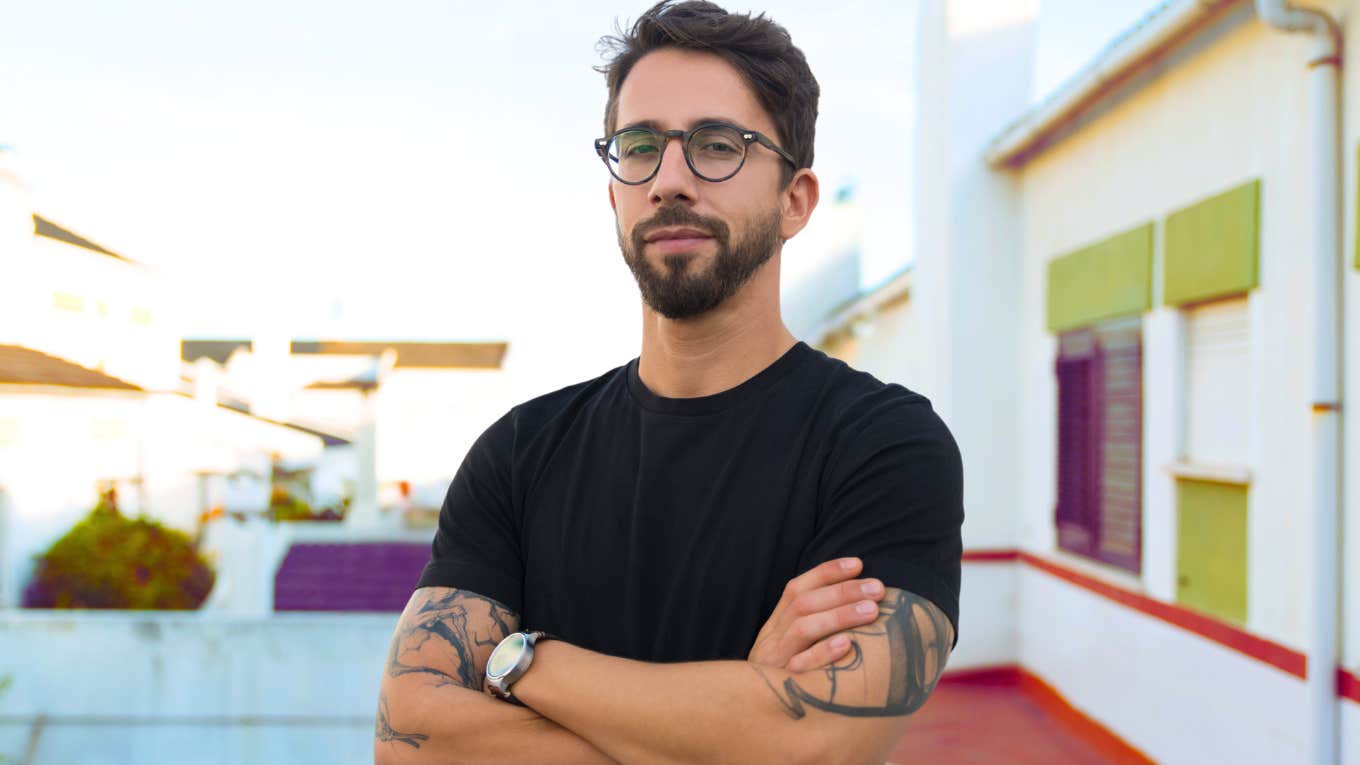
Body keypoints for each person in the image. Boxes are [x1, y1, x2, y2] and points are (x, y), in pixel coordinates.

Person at [375, 2, 963, 763]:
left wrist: (520, 660)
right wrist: (736, 720)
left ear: (796, 201)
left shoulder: (881, 446)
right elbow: (411, 735)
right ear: (614, 191)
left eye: (718, 145)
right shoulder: (519, 453)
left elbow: (817, 744)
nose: (669, 180)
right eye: (640, 146)